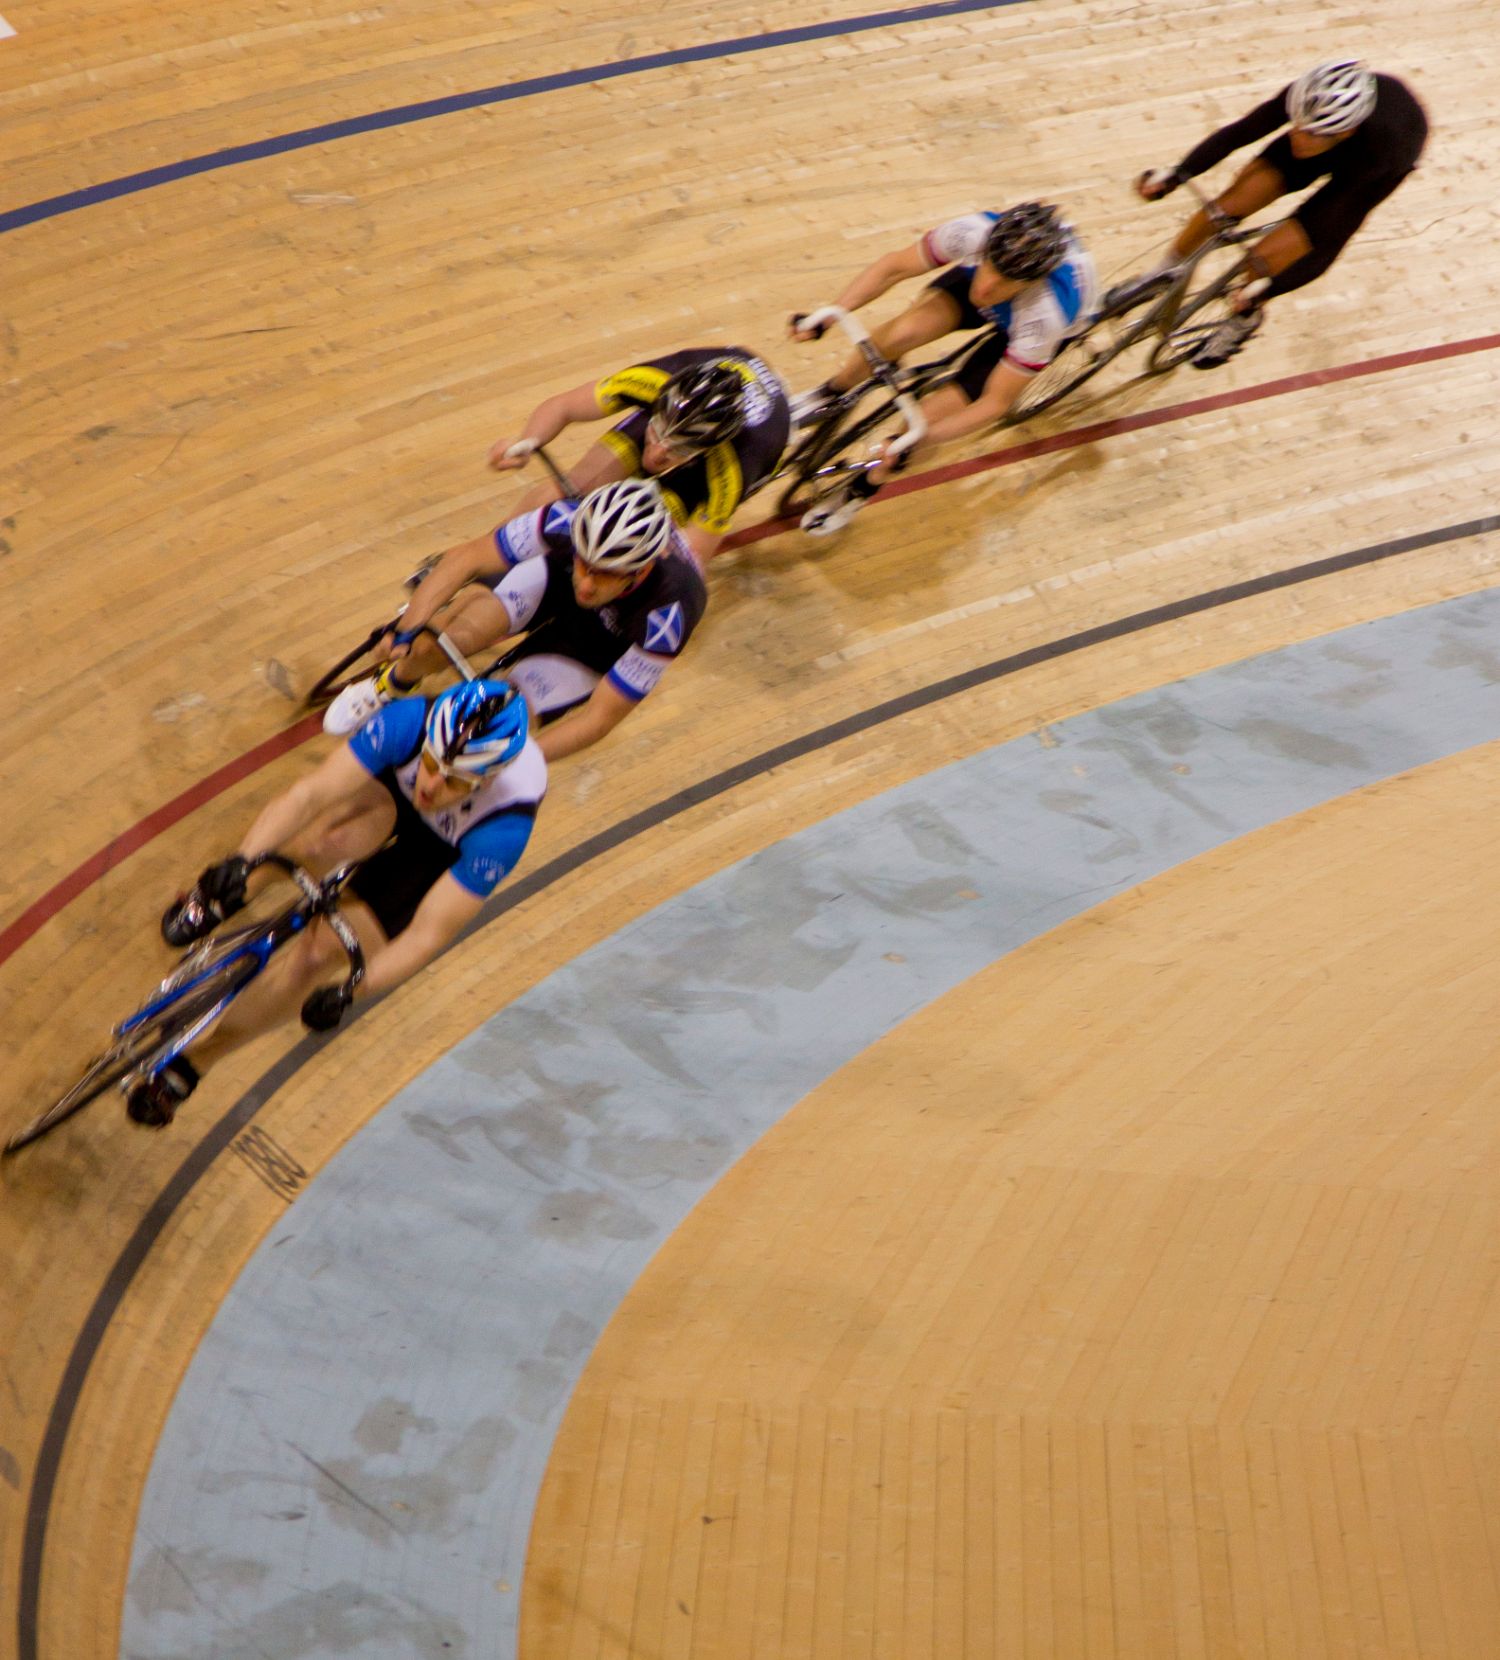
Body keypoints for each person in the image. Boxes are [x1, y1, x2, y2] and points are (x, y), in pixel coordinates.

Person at [127, 680, 544, 1126]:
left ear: (489, 778)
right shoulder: (408, 722)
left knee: (320, 954)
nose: (432, 783)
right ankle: (219, 897)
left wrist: (353, 988)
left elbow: (428, 934)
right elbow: (311, 795)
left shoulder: (505, 828)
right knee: (327, 837)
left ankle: (195, 1063)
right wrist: (241, 860)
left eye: (455, 780)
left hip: (439, 850)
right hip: (389, 798)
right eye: (429, 762)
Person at [321, 478, 707, 761]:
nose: (586, 584)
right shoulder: (568, 520)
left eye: (603, 573)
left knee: (506, 725)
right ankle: (392, 683)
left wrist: (521, 759)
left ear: (639, 571)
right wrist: (407, 629)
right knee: (446, 639)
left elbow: (599, 719)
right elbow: (468, 558)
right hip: (552, 580)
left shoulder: (671, 611)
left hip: (605, 640)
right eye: (584, 564)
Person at [786, 200, 1097, 533]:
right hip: (1009, 299)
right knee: (899, 334)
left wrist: (923, 438)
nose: (987, 286)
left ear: (1030, 282)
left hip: (1027, 326)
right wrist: (830, 313)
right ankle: (832, 391)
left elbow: (994, 403)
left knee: (918, 426)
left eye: (1005, 281)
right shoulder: (975, 233)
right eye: (990, 265)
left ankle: (861, 489)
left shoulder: (1045, 315)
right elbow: (894, 267)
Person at [1113, 59, 1427, 368]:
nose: (1297, 138)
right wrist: (1180, 172)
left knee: (1264, 261)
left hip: (1367, 172)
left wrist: (1270, 287)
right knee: (1221, 210)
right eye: (1296, 125)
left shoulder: (1384, 152)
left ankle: (1244, 319)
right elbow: (1240, 132)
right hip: (1335, 140)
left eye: (1310, 133)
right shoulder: (1307, 101)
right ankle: (1159, 275)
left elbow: (1329, 240)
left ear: (1346, 131)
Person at [488, 347, 792, 563]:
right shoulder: (656, 382)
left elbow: (690, 561)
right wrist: (528, 441)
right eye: (657, 432)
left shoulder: (733, 467)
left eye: (677, 448)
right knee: (576, 487)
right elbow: (563, 407)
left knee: (646, 539)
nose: (657, 453)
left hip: (730, 457)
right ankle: (493, 545)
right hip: (729, 370)